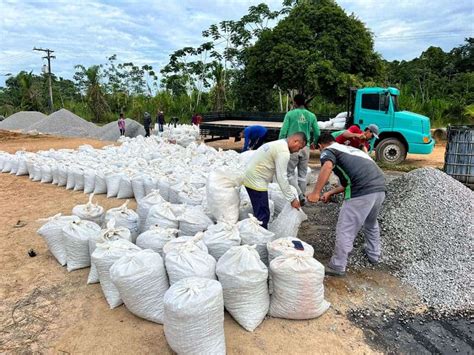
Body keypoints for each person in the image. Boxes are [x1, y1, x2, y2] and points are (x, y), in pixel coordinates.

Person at [306, 133, 386, 277]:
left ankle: (337, 265)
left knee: (345, 228)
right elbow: (347, 182)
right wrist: (330, 193)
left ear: (320, 146)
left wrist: (315, 192)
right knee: (371, 223)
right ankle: (374, 255)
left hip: (362, 191)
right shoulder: (349, 150)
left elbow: (327, 166)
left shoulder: (328, 151)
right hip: (380, 189)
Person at [243, 132, 307, 228]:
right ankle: (261, 240)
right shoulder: (283, 151)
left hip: (252, 178)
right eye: (299, 147)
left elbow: (278, 174)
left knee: (261, 211)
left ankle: (259, 235)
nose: (298, 151)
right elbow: (282, 177)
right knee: (263, 215)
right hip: (256, 181)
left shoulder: (280, 143)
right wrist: (292, 199)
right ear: (295, 141)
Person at [279, 94, 320, 202]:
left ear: (295, 102)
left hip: (292, 147)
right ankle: (302, 197)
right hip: (305, 148)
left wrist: (280, 144)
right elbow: (317, 132)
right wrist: (314, 143)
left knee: (290, 173)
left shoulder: (290, 114)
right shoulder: (311, 115)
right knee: (302, 174)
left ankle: (298, 196)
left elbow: (283, 131)